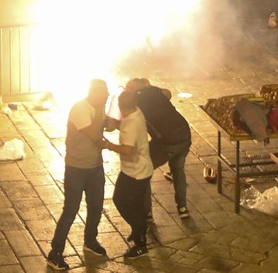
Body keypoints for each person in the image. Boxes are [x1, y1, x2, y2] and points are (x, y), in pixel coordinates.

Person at [47, 79, 110, 271]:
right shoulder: (81, 109)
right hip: (76, 168)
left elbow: (110, 126)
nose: (106, 95)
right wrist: (101, 110)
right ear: (94, 93)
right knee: (71, 210)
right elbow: (93, 135)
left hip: (95, 166)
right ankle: (55, 252)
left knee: (96, 206)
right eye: (104, 92)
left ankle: (90, 239)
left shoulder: (99, 108)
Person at [125, 78, 192, 220]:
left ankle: (146, 212)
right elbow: (168, 93)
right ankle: (182, 207)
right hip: (185, 135)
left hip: (168, 141)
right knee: (178, 168)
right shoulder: (155, 91)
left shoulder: (136, 104)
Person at [103, 90, 152, 261]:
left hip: (136, 172)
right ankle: (138, 229)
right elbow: (125, 126)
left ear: (121, 106)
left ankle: (140, 243)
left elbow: (128, 149)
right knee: (127, 202)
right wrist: (116, 124)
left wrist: (109, 146)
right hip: (133, 170)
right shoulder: (137, 113)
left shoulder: (131, 123)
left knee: (127, 203)